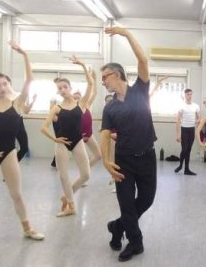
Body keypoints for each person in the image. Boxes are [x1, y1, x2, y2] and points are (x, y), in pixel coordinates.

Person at [100, 27, 157, 262]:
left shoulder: (140, 90)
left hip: (147, 157)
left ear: (117, 74)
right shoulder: (109, 107)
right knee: (126, 203)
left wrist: (125, 34)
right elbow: (104, 134)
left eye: (105, 77)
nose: (103, 81)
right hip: (123, 160)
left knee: (146, 199)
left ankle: (116, 227)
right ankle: (136, 243)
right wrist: (106, 160)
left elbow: (142, 59)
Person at [0, 40, 44, 243]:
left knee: (16, 193)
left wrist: (25, 54)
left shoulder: (17, 101)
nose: (1, 87)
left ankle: (27, 228)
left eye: (4, 83)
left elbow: (29, 79)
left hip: (10, 151)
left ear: (9, 84)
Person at [41, 56, 93, 217]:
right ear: (58, 91)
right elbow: (43, 127)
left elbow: (91, 84)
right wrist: (55, 139)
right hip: (62, 144)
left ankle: (66, 195)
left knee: (86, 175)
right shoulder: (56, 108)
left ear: (70, 88)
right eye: (60, 88)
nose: (63, 89)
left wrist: (83, 65)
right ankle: (70, 205)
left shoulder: (81, 104)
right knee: (63, 175)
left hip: (77, 141)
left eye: (65, 87)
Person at [73, 69, 102, 167]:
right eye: (74, 96)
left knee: (98, 155)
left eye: (78, 96)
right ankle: (84, 172)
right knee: (83, 158)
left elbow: (94, 93)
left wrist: (94, 79)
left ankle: (86, 170)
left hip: (89, 135)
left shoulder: (87, 104)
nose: (77, 98)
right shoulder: (70, 109)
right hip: (78, 137)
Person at [175, 88, 200, 175]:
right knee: (184, 149)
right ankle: (181, 165)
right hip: (184, 129)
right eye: (187, 94)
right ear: (185, 95)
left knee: (188, 150)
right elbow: (177, 120)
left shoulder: (196, 106)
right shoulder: (181, 106)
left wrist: (197, 121)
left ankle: (187, 169)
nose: (189, 96)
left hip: (191, 130)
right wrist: (178, 135)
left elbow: (198, 118)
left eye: (190, 94)